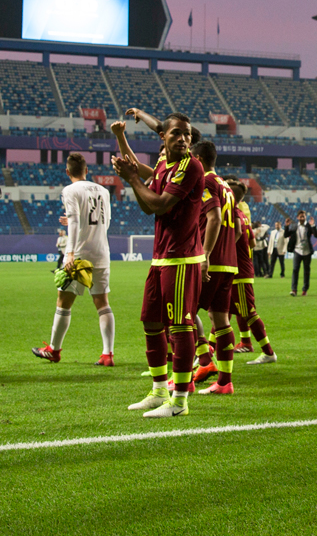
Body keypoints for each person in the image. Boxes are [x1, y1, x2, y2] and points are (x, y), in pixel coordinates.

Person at [112, 113, 207, 417]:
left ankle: (179, 401)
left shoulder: (190, 166)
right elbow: (147, 201)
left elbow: (159, 204)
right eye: (177, 134)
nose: (183, 139)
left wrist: (131, 179)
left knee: (180, 327)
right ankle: (158, 390)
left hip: (182, 259)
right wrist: (132, 174)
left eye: (188, 135)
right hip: (161, 257)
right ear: (163, 139)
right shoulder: (165, 166)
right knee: (152, 323)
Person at [32, 153, 115, 366]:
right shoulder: (104, 191)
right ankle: (107, 354)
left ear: (68, 172)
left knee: (63, 302)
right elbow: (105, 222)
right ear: (87, 171)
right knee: (102, 303)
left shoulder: (69, 190)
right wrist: (71, 222)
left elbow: (77, 220)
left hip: (79, 256)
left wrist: (70, 253)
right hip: (102, 253)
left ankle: (54, 350)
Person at [190, 140, 238, 394]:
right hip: (229, 263)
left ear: (198, 158)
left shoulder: (206, 182)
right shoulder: (226, 185)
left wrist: (206, 253)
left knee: (184, 315)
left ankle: (184, 378)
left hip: (212, 261)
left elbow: (215, 217)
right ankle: (225, 382)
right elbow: (237, 228)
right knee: (220, 320)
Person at [226, 180, 278, 363]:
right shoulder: (241, 213)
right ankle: (205, 354)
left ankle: (269, 352)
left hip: (238, 271)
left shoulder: (232, 214)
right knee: (221, 312)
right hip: (236, 269)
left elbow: (235, 239)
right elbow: (252, 243)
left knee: (248, 312)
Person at [290, 209, 317, 297]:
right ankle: (294, 289)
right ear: (298, 217)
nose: (302, 218)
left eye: (304, 216)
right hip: (297, 250)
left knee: (306, 271)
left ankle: (305, 290)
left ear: (305, 217)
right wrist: (287, 227)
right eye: (301, 216)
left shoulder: (309, 226)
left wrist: (313, 225)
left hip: (307, 251)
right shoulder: (295, 226)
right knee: (295, 270)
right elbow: (288, 235)